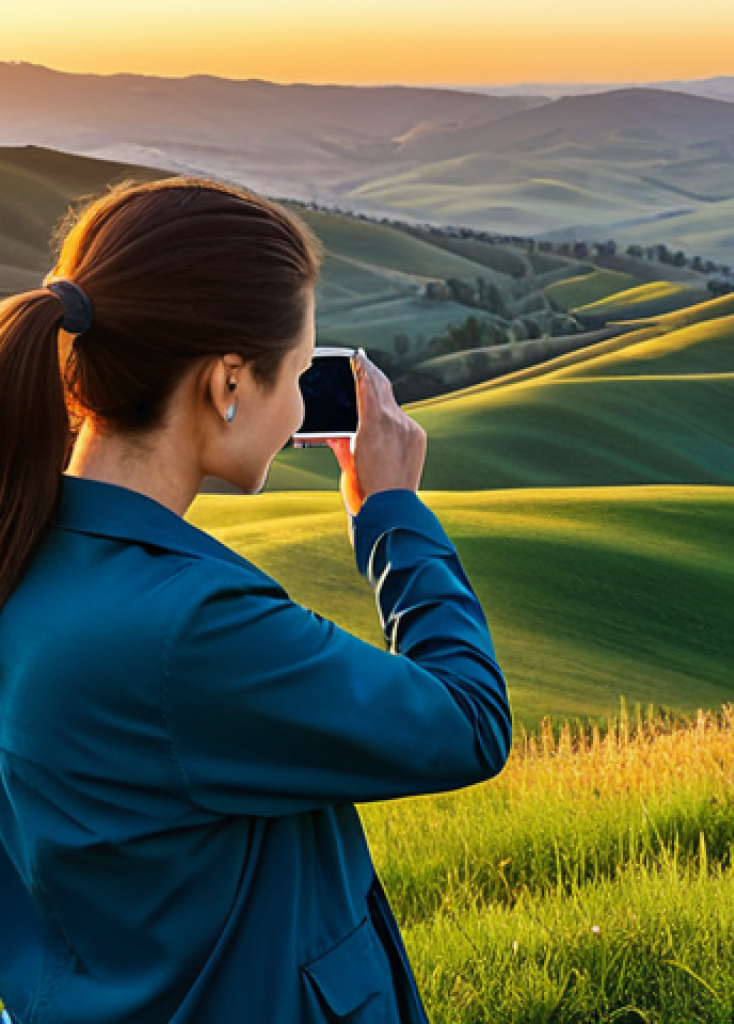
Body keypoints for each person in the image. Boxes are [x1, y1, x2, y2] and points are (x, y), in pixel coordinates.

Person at [0, 177, 512, 1023]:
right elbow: (469, 724)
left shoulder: (25, 552)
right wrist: (393, 516)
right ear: (228, 382)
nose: (302, 406)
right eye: (301, 372)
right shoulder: (189, 626)